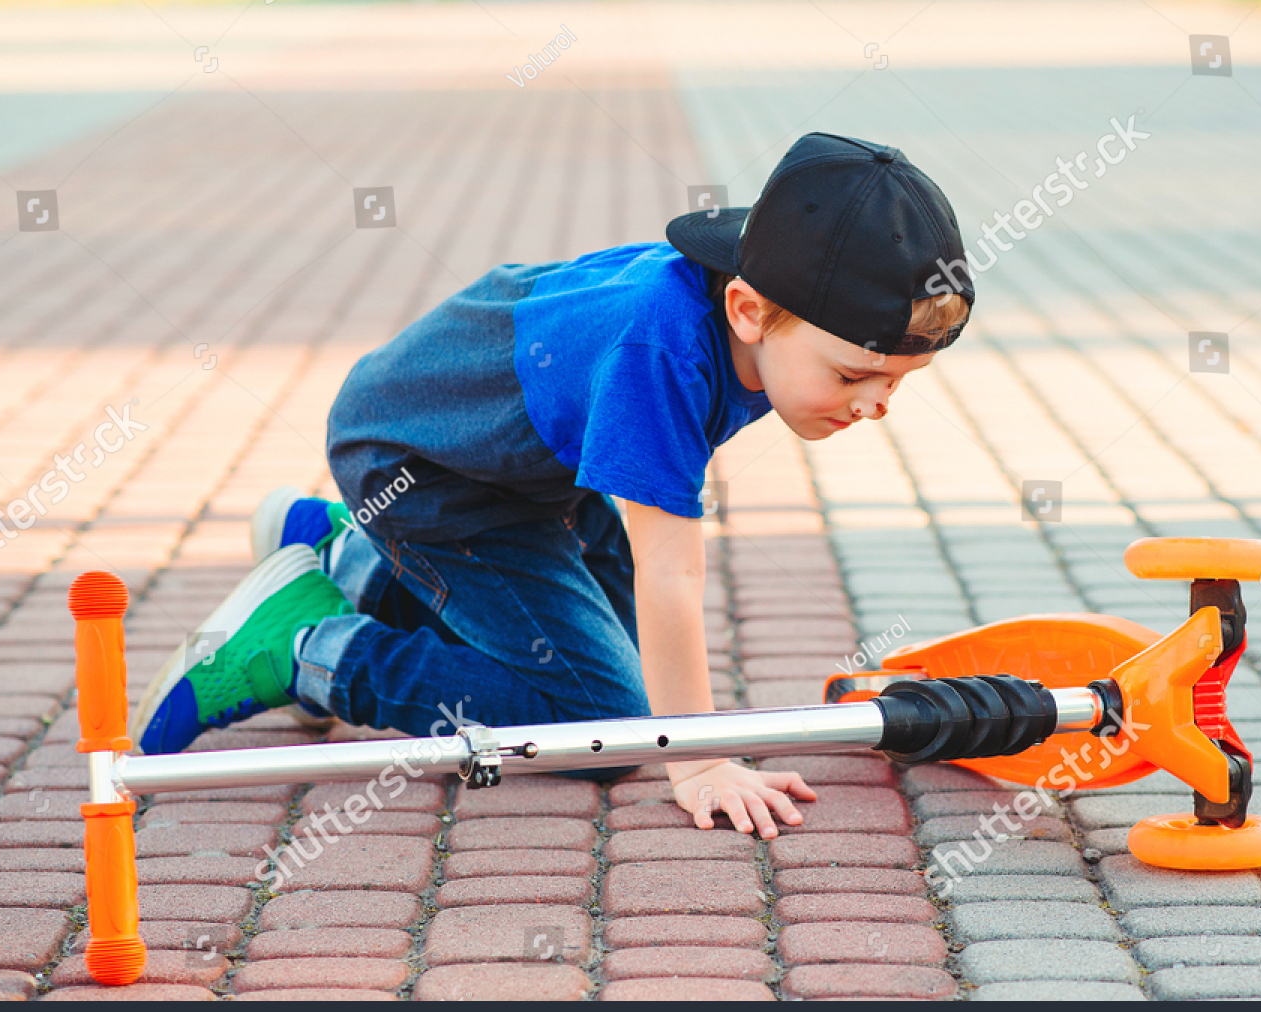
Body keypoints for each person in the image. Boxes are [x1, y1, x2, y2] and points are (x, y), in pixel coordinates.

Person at [131, 132, 975, 839]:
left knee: (633, 671)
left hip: (515, 471)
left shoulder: (748, 311)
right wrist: (703, 757)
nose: (875, 405)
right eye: (855, 374)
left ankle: (343, 555)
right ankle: (307, 651)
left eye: (900, 382)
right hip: (427, 474)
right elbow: (670, 572)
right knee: (609, 724)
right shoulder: (662, 353)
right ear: (750, 311)